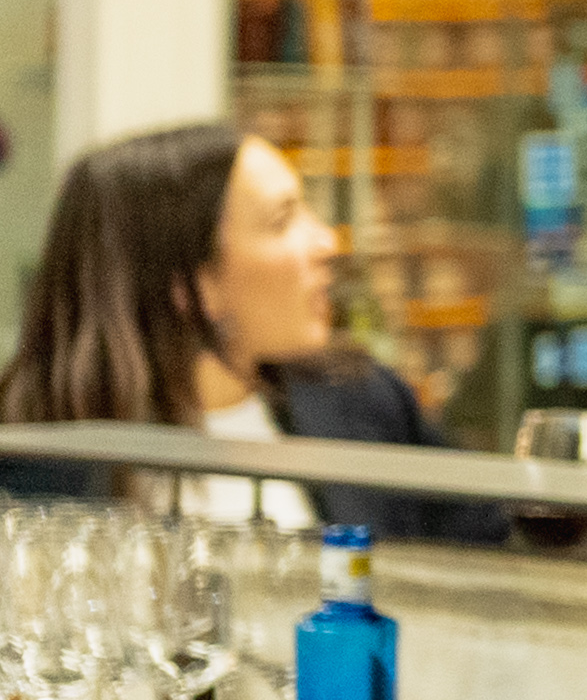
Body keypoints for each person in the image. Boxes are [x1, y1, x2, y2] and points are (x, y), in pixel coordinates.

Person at [0, 122, 479, 540]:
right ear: (191, 285)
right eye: (282, 220)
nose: (326, 241)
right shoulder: (33, 463)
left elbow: (495, 555)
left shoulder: (363, 404)